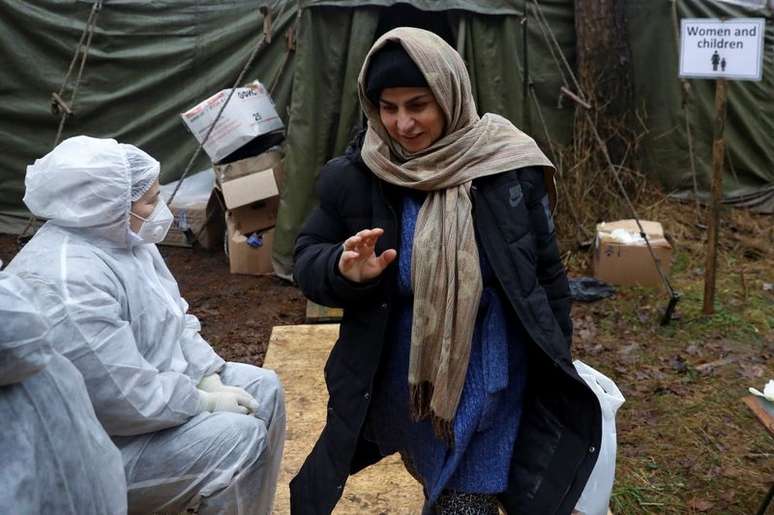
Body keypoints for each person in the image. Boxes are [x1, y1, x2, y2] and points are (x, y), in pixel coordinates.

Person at [291, 27, 602, 514]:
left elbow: (544, 275)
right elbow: (307, 255)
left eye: (418, 105)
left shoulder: (506, 167)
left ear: (451, 94)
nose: (402, 123)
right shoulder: (358, 175)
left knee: (465, 499)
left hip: (492, 376)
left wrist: (557, 360)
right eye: (388, 107)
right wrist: (342, 269)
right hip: (404, 382)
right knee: (431, 471)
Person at [8, 136, 286, 515]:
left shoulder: (124, 237)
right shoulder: (69, 280)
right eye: (150, 200)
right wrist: (202, 401)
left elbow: (176, 317)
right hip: (99, 449)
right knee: (238, 438)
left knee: (264, 388)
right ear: (107, 203)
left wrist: (208, 376)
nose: (161, 209)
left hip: (151, 403)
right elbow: (124, 398)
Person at [0, 268, 127, 514]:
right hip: (23, 466)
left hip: (73, 453)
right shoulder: (70, 265)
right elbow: (16, 336)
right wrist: (201, 401)